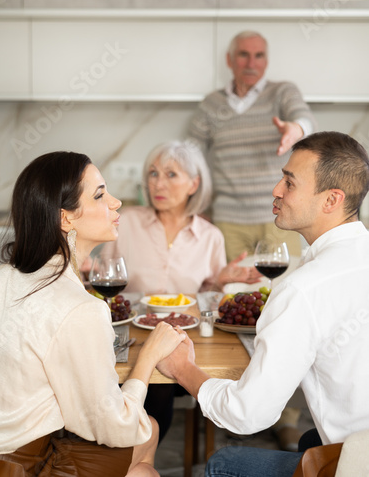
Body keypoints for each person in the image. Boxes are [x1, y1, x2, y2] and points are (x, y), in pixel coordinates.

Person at [0, 151, 187, 477]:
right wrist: (147, 358)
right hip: (25, 466)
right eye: (100, 195)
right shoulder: (82, 309)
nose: (116, 202)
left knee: (148, 427)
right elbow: (114, 427)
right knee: (144, 463)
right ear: (66, 218)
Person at [157, 131, 369, 477]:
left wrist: (182, 369)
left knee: (224, 463)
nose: (276, 190)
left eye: (289, 182)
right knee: (310, 440)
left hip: (360, 464)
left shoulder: (303, 289)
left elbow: (247, 414)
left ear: (331, 200)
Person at [99, 140, 261, 443]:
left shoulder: (210, 237)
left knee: (161, 381)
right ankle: (132, 451)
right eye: (153, 173)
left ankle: (136, 450)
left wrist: (219, 282)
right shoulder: (126, 223)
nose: (158, 183)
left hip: (181, 345)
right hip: (126, 342)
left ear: (194, 183)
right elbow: (107, 289)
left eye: (171, 174)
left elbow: (208, 306)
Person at [188, 30, 317, 262]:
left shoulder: (282, 93)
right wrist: (196, 208)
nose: (251, 63)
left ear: (266, 61)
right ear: (229, 59)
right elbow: (191, 160)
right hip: (228, 221)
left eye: (258, 56)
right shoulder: (211, 104)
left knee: (282, 288)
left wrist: (296, 129)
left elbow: (305, 119)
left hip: (280, 216)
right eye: (243, 55)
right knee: (235, 293)